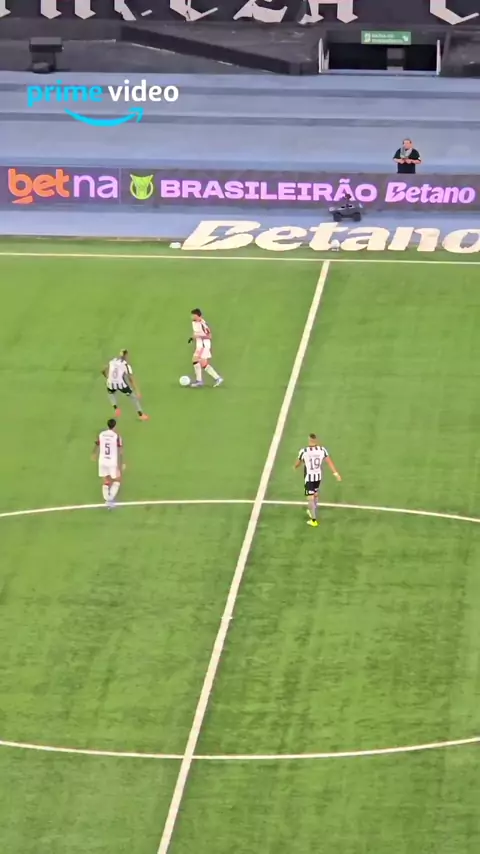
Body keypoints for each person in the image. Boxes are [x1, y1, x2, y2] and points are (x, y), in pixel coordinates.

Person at [294, 433, 341, 527]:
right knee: (315, 494)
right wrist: (336, 473)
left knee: (310, 497)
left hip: (309, 477)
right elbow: (329, 462)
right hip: (318, 476)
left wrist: (295, 467)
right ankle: (313, 509)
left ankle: (313, 520)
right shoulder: (322, 450)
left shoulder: (304, 451)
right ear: (316, 440)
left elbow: (298, 463)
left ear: (309, 440)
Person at [102, 349, 149, 420]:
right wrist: (137, 391)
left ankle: (116, 408)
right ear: (126, 356)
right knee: (133, 397)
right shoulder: (126, 365)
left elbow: (103, 370)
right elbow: (131, 379)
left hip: (110, 383)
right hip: (121, 384)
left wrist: (107, 377)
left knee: (111, 394)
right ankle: (141, 415)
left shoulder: (112, 361)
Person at [92, 418, 124, 508]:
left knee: (106, 480)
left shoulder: (101, 434)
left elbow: (97, 444)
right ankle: (110, 499)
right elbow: (121, 451)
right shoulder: (116, 436)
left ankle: (107, 499)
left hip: (102, 461)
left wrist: (94, 453)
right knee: (117, 479)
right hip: (112, 461)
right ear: (115, 426)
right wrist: (122, 463)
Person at [188, 309, 223, 388]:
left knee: (196, 360)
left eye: (193, 315)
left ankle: (200, 381)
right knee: (202, 363)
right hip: (199, 345)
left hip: (204, 345)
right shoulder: (194, 322)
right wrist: (192, 338)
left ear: (198, 316)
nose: (192, 317)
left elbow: (209, 336)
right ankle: (217, 378)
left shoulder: (203, 324)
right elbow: (196, 332)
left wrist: (199, 336)